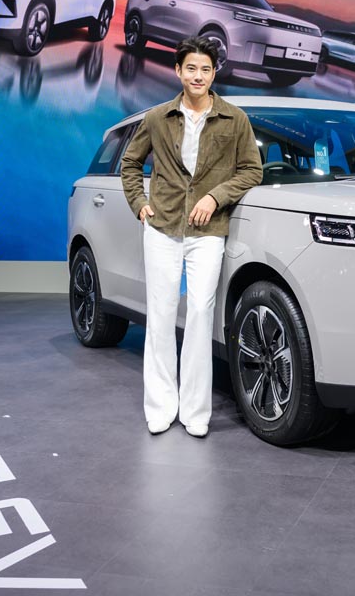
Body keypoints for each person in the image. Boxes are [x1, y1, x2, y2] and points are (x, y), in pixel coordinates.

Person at [120, 37, 263, 437]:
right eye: (191, 68)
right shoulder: (158, 117)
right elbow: (130, 163)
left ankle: (196, 411)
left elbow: (252, 170)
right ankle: (161, 406)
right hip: (162, 226)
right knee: (161, 315)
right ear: (178, 71)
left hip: (208, 231)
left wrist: (216, 197)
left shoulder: (235, 119)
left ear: (214, 73)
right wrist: (139, 203)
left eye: (205, 69)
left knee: (200, 314)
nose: (198, 76)